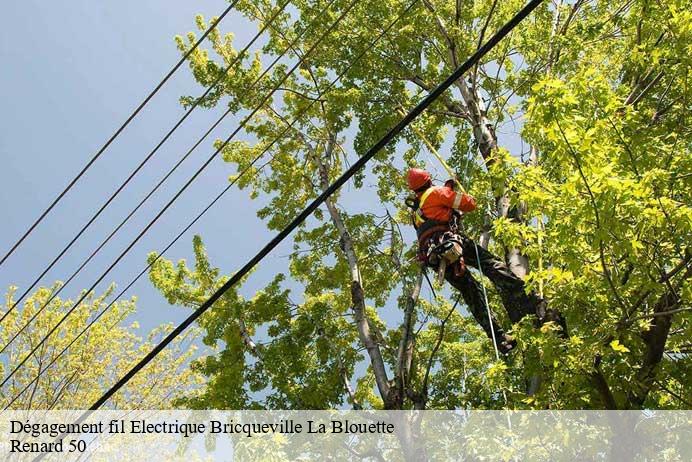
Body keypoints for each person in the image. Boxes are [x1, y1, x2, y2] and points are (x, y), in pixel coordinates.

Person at [406, 168, 562, 354]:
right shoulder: (436, 192)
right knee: (491, 265)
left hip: (436, 257)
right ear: (429, 181)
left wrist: (448, 191)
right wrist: (454, 193)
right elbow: (469, 204)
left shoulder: (416, 213)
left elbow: (436, 213)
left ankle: (499, 338)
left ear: (414, 190)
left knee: (472, 293)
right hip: (452, 242)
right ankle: (530, 299)